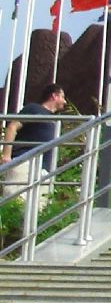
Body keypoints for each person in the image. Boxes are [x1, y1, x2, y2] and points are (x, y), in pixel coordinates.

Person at [1, 83, 66, 233]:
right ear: (54, 95)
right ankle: (10, 242)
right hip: (24, 162)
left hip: (43, 170)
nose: (64, 101)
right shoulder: (34, 109)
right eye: (62, 96)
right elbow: (12, 127)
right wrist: (7, 154)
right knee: (16, 202)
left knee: (38, 208)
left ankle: (26, 244)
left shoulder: (54, 120)